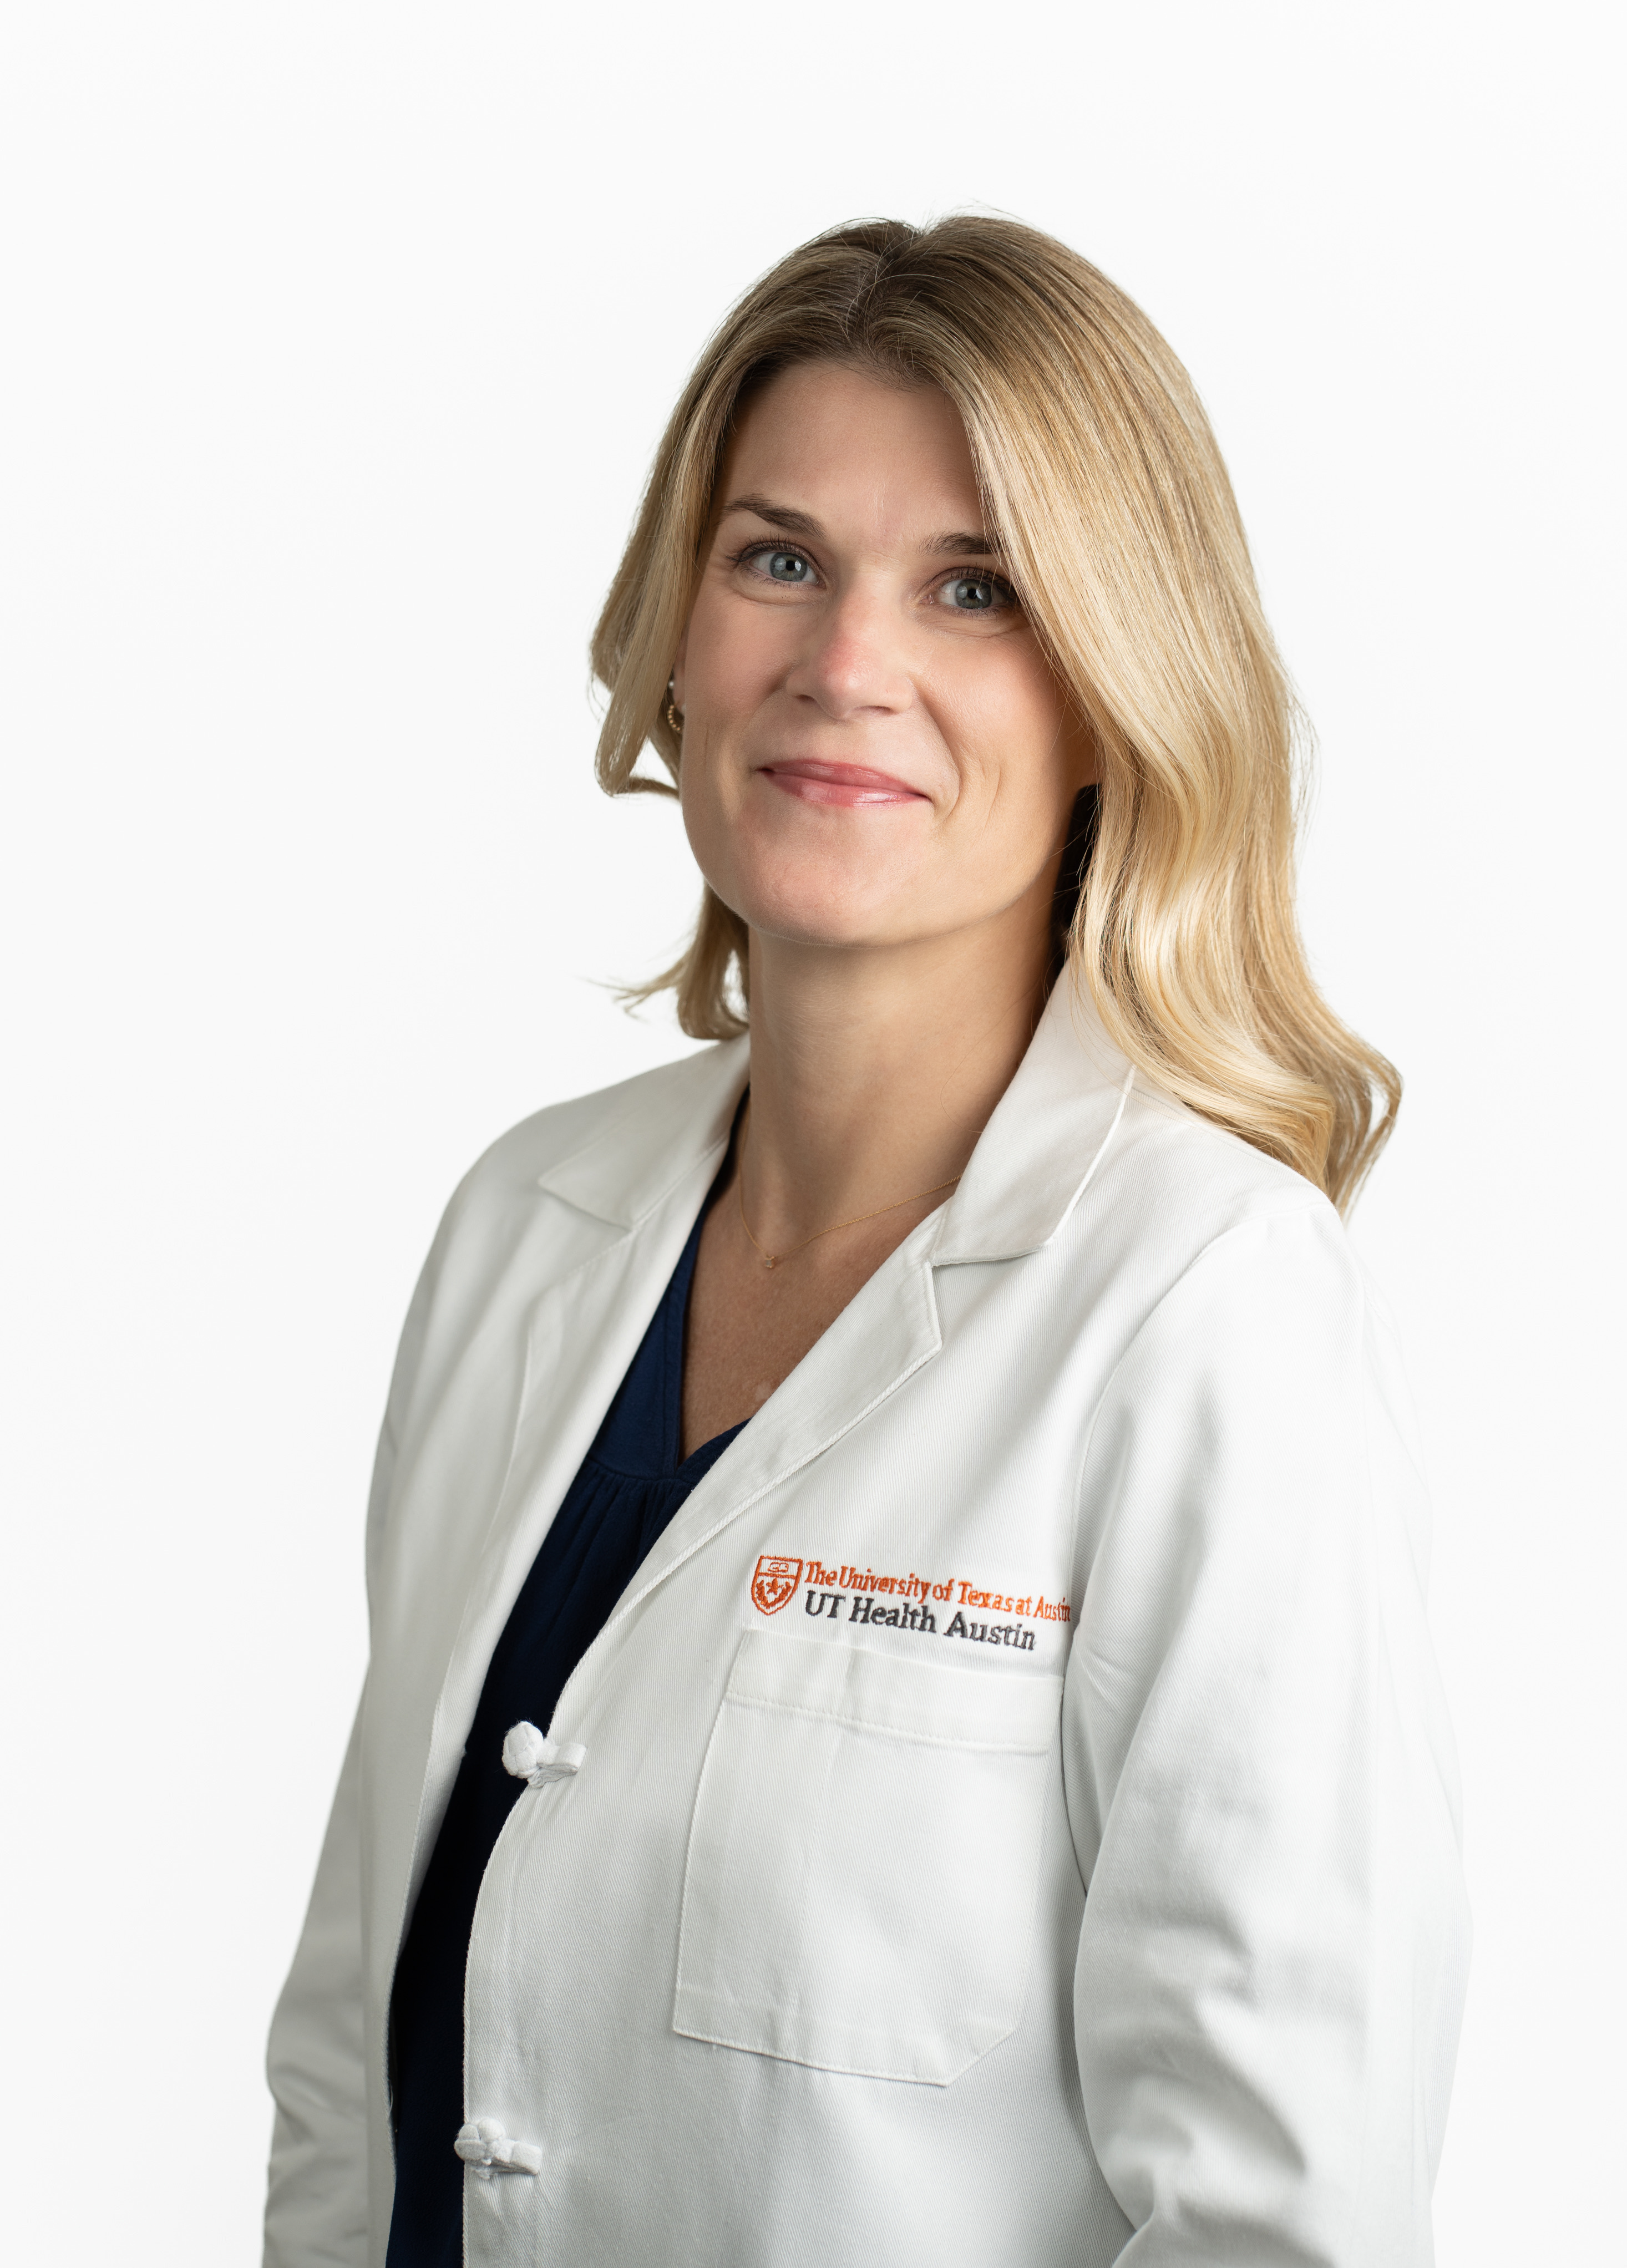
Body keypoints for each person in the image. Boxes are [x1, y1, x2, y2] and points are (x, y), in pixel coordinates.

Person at [263, 216, 1469, 2268]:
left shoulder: (1202, 1308)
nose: (846, 666)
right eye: (777, 556)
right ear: (675, 620)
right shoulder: (522, 1230)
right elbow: (349, 2053)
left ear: (1116, 689)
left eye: (976, 587)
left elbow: (1286, 2213)